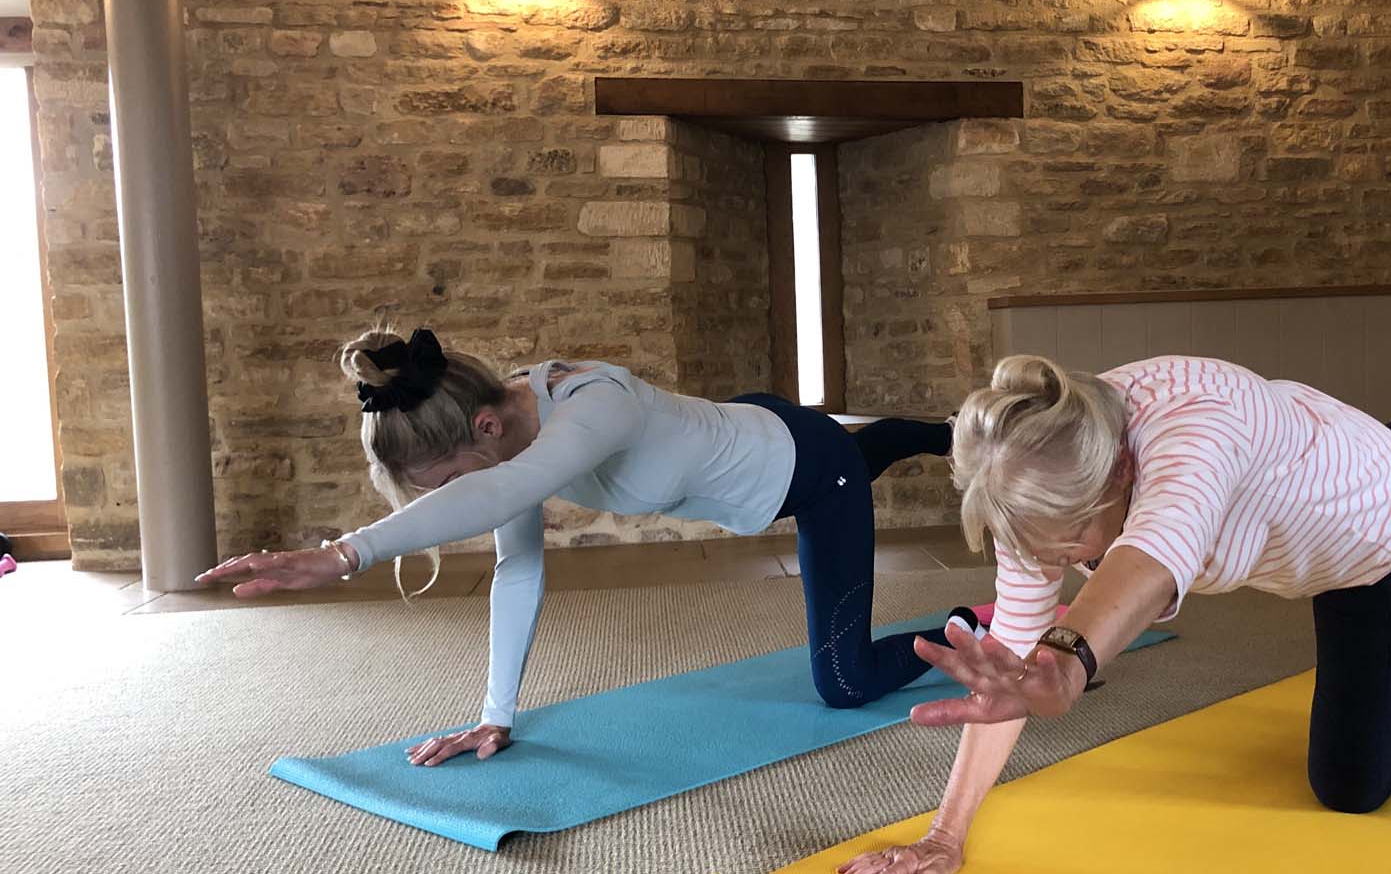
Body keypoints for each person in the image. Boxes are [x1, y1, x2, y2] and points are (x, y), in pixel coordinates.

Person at [834, 353, 1391, 874]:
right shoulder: (1035, 464)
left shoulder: (1195, 435)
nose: (1060, 565)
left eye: (1071, 544)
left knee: (1352, 788)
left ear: (1125, 474)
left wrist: (1069, 662)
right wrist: (943, 835)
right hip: (1309, 456)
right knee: (1365, 449)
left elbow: (1147, 560)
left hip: (1372, 544)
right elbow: (1012, 665)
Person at [198, 327, 967, 764]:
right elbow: (518, 564)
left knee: (845, 681)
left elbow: (492, 495)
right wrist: (496, 714)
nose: (449, 497)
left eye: (444, 480)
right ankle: (930, 432)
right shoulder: (512, 443)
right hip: (753, 437)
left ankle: (990, 619)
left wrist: (341, 555)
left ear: (485, 429)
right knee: (834, 448)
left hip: (808, 472)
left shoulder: (593, 406)